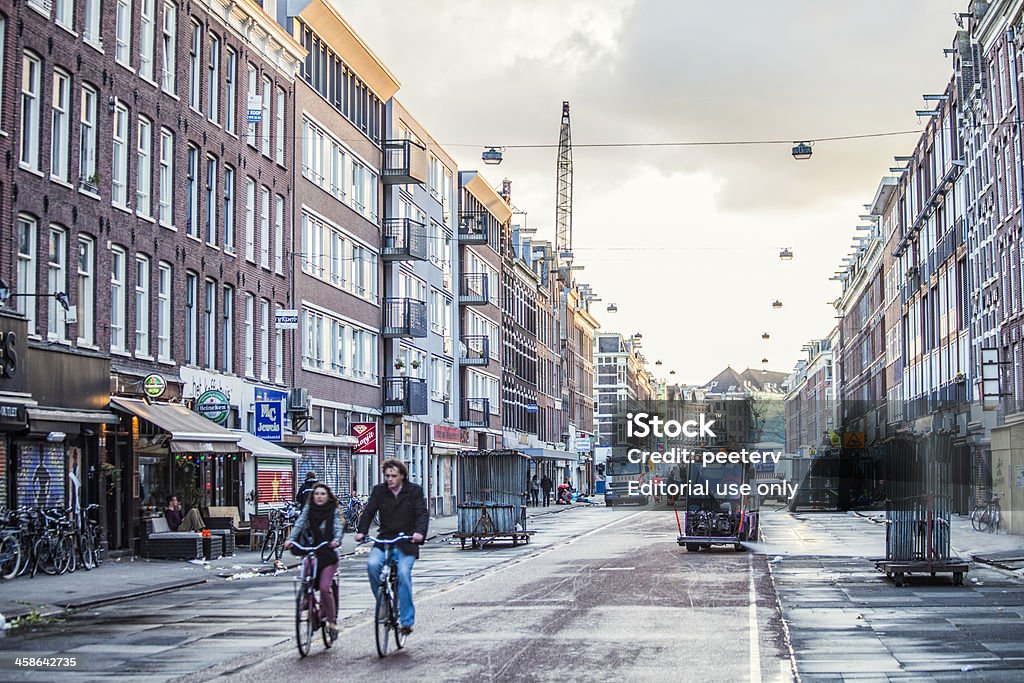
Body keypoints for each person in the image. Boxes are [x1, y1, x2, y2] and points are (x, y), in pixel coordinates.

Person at [354, 458, 428, 636]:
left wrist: (419, 533)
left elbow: (422, 514)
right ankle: (384, 606)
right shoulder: (379, 491)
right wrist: (361, 532)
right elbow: (369, 512)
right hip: (385, 539)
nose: (389, 479)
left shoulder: (414, 491)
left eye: (393, 476)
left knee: (403, 574)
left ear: (402, 476)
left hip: (407, 541)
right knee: (372, 566)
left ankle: (407, 621)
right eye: (387, 476)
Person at [284, 483, 344, 640]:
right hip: (313, 551)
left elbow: (338, 528)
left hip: (328, 555)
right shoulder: (309, 509)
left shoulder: (333, 511)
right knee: (306, 571)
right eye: (317, 494)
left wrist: (336, 540)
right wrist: (290, 539)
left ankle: (332, 623)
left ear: (328, 496)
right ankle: (307, 599)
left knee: (325, 588)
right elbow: (299, 524)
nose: (319, 496)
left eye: (323, 494)